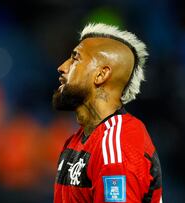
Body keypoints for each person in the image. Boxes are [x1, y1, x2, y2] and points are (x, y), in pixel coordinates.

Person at [52, 23, 162, 203]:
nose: (62, 67)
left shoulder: (118, 144)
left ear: (101, 75)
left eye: (75, 59)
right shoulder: (76, 141)